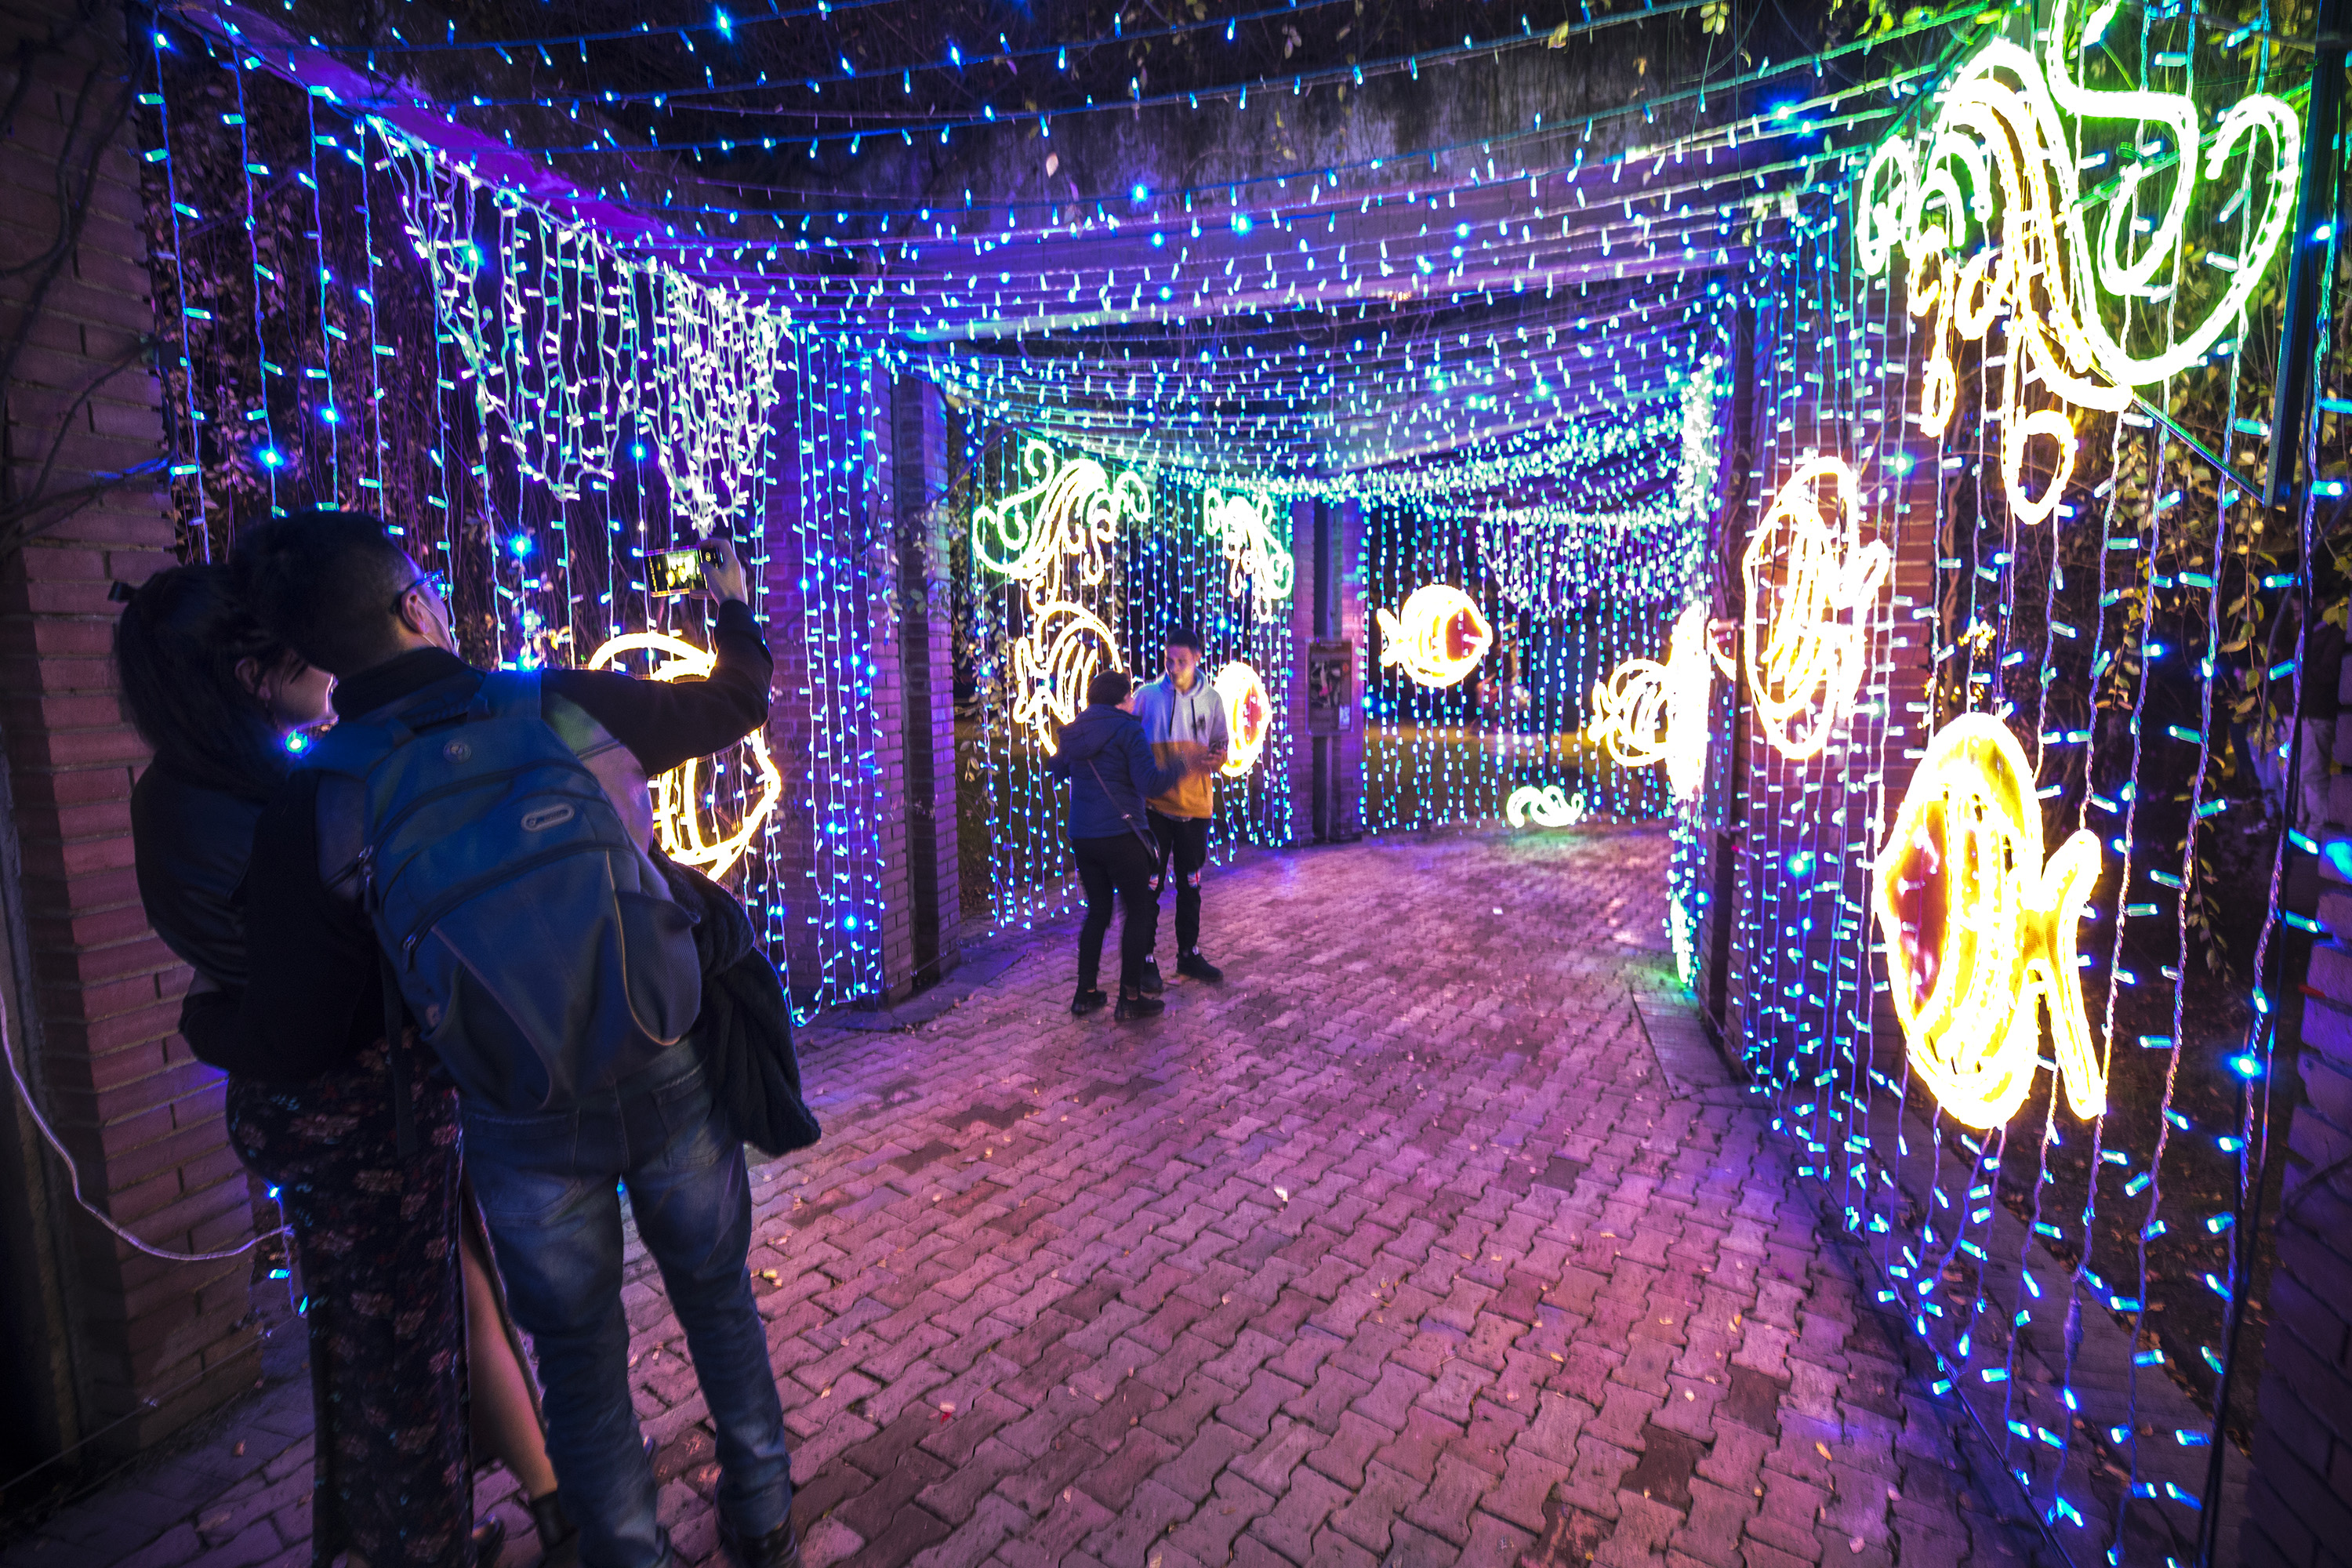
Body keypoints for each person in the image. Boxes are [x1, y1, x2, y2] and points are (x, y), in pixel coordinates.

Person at [230, 513, 799, 1568]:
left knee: (579, 1354)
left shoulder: (320, 797)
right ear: (415, 608)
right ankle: (762, 1515)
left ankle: (629, 1551)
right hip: (659, 1051)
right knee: (717, 1295)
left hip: (513, 1107)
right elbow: (737, 701)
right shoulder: (554, 701)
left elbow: (308, 1023)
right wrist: (729, 602)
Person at [114, 564, 570, 1568]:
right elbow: (328, 984)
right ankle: (441, 1539)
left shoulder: (213, 793)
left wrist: (214, 1016)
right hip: (360, 1115)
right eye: (299, 648)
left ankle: (526, 1506)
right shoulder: (264, 803)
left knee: (431, 1315)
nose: (328, 663)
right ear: (248, 673)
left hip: (356, 1108)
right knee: (397, 1360)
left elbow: (272, 983)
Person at [1131, 628, 1231, 987]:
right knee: (1150, 888)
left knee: (1191, 886)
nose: (1173, 667)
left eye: (1182, 661)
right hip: (1155, 809)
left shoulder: (1213, 700)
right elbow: (1129, 742)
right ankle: (1144, 960)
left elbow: (1222, 743)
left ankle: (1188, 955)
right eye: (1169, 660)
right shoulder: (1146, 697)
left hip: (1196, 810)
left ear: (1198, 658)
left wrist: (1219, 756)